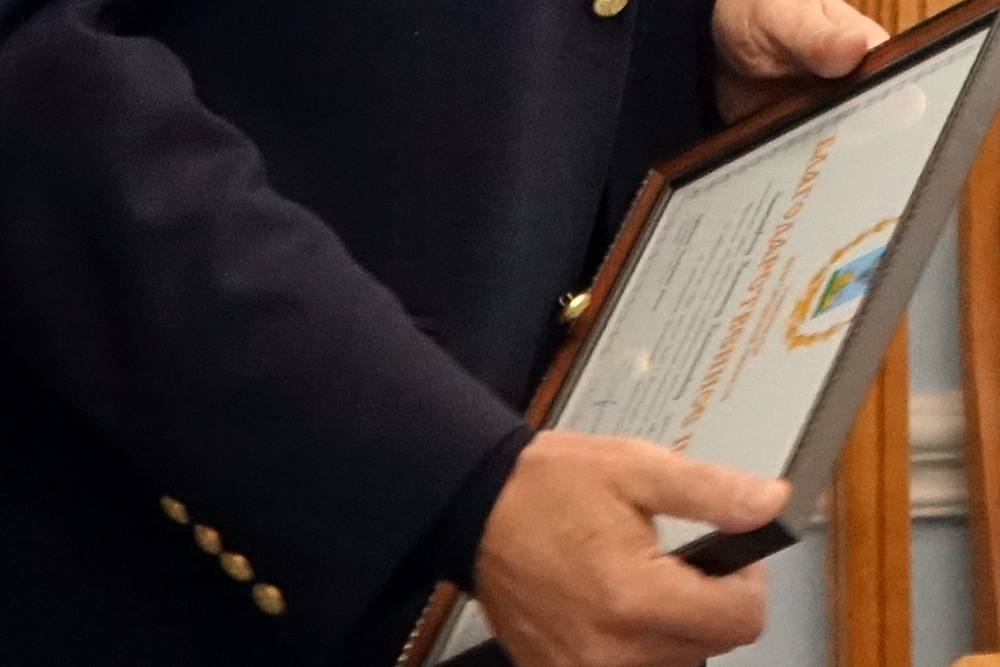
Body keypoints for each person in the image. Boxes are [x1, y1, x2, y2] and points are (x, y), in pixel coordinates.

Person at [0, 0, 886, 665]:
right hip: (174, 580)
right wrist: (443, 480)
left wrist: (685, 47)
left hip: (535, 552)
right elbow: (29, 68)